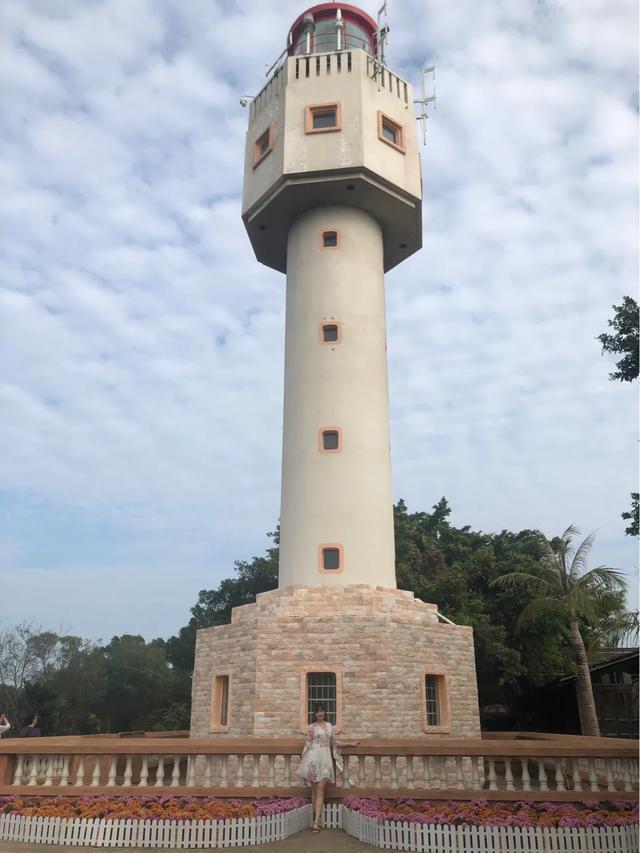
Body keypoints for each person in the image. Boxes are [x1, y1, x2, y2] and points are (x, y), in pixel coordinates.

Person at [297, 704, 357, 832]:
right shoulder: (311, 728)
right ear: (315, 714)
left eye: (322, 711)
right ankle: (316, 821)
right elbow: (307, 745)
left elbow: (334, 742)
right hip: (313, 759)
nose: (320, 713)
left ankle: (316, 821)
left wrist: (350, 744)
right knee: (314, 790)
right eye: (317, 712)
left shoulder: (329, 726)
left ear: (325, 712)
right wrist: (304, 760)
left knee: (320, 789)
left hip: (325, 759)